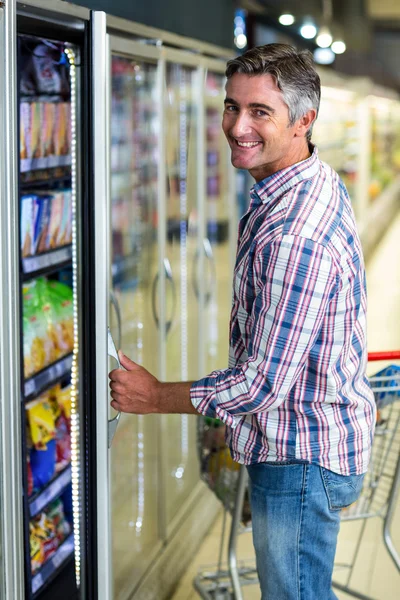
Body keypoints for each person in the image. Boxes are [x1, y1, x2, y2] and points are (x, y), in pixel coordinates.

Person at [109, 43, 376, 600]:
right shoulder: (305, 181)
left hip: (299, 456)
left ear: (304, 120)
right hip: (301, 436)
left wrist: (154, 395)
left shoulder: (293, 234)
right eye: (233, 107)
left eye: (261, 112)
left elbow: (261, 384)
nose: (237, 126)